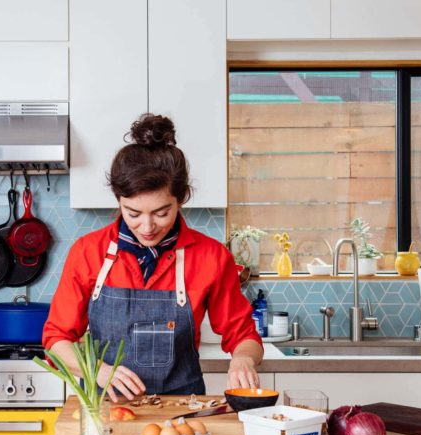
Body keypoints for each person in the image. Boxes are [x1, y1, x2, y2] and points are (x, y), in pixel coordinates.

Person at [42, 114, 263, 401]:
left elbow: (244, 334)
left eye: (161, 213)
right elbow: (56, 339)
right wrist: (97, 370)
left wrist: (243, 359)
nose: (147, 227)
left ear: (181, 198)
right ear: (118, 200)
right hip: (106, 410)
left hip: (182, 411)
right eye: (132, 213)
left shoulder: (211, 256)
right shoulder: (88, 252)